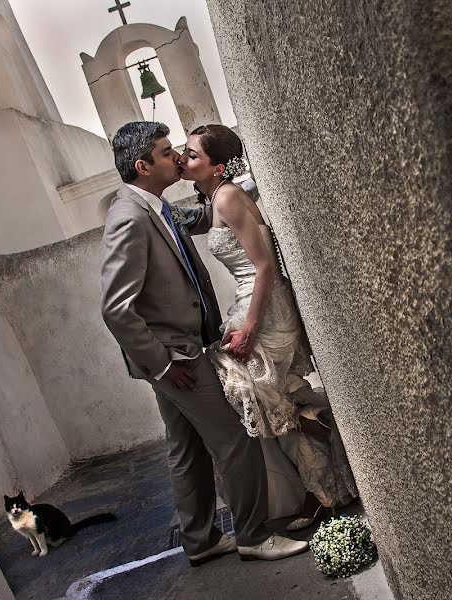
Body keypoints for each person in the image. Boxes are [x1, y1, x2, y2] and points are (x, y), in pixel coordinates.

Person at [100, 121, 308, 564]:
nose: (176, 156)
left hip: (180, 352)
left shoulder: (155, 206)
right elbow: (117, 308)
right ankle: (252, 535)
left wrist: (234, 183)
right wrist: (162, 365)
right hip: (176, 358)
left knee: (186, 449)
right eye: (164, 152)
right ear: (142, 166)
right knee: (236, 439)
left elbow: (211, 212)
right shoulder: (128, 218)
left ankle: (200, 541)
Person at [177, 124, 357, 531]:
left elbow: (264, 268)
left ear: (218, 166)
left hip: (266, 308)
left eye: (191, 154)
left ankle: (321, 443)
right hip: (250, 304)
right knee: (271, 398)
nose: (182, 158)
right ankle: (320, 477)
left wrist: (249, 329)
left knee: (253, 393)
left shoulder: (226, 196)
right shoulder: (214, 198)